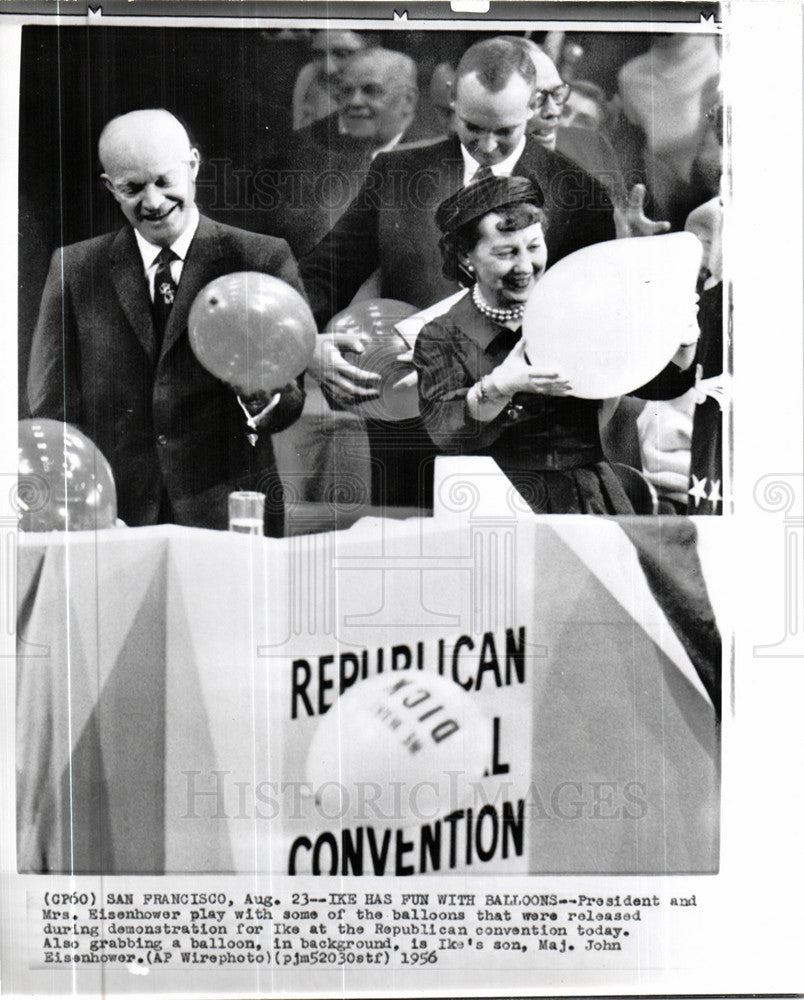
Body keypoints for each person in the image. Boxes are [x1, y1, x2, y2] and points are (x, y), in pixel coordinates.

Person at [301, 36, 636, 507]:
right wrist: (301, 341)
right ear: (453, 99)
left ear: (534, 106)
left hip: (531, 459)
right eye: (473, 126)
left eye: (505, 130)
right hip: (411, 447)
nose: (488, 145)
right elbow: (323, 273)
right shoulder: (396, 172)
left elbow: (593, 331)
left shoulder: (581, 196)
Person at [27, 109, 306, 535]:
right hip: (112, 519)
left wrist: (260, 395)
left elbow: (290, 398)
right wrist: (88, 505)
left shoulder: (259, 258)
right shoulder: (75, 269)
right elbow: (53, 408)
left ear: (193, 165)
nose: (153, 202)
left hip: (227, 515)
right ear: (109, 187)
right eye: (132, 188)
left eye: (164, 181)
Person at [413, 175, 698, 514]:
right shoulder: (442, 335)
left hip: (586, 497)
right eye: (506, 253)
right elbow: (445, 432)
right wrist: (500, 386)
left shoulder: (575, 306)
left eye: (534, 247)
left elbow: (654, 381)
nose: (524, 266)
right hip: (490, 499)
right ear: (465, 257)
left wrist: (681, 341)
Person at [291, 29, 366, 131]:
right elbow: (298, 133)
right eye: (319, 55)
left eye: (342, 54)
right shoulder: (309, 74)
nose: (328, 69)